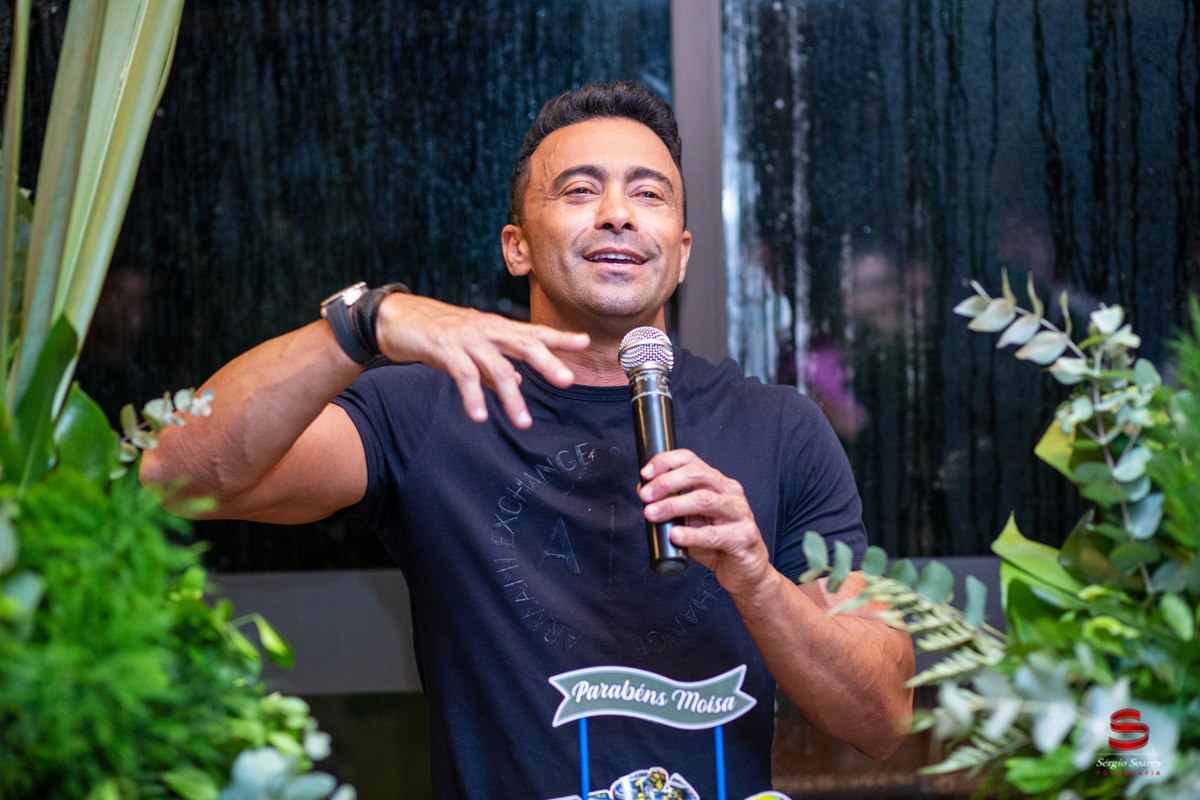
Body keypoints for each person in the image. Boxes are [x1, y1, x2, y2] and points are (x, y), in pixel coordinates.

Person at [142, 82, 914, 800]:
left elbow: (882, 716)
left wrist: (758, 583)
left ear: (680, 253)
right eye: (579, 190)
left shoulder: (781, 429)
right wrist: (364, 322)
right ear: (516, 247)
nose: (617, 213)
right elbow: (175, 473)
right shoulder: (427, 409)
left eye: (648, 193)